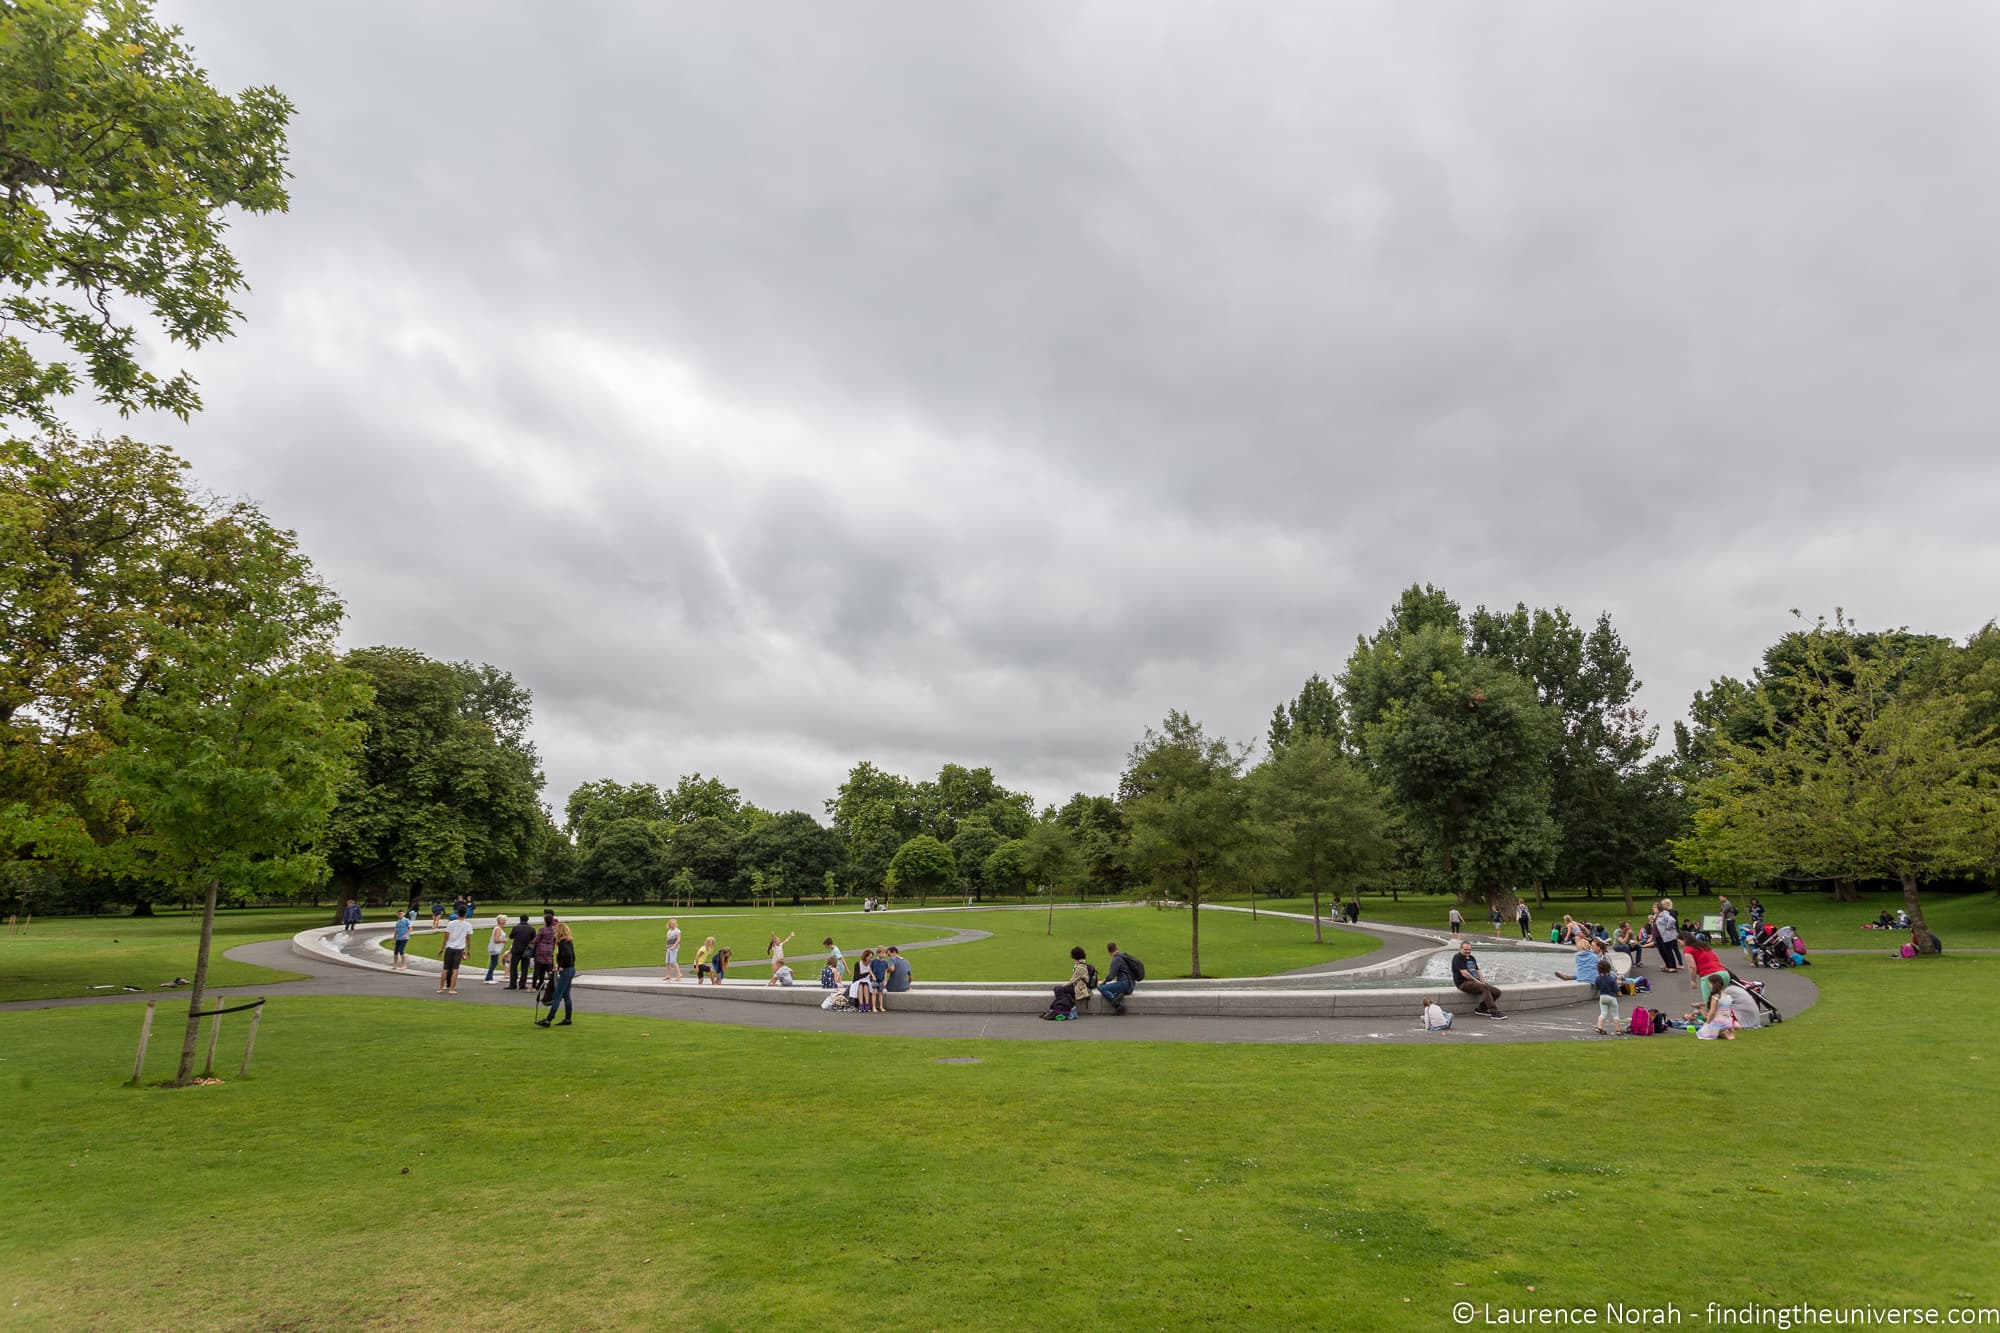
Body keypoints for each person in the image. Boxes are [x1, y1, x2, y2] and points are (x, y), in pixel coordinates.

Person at [1449, 941, 1506, 1018]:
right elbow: (1465, 974)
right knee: (1484, 987)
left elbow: (1478, 971)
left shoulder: (1472, 958)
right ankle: (1494, 1012)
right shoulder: (1458, 957)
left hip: (1475, 982)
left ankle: (1481, 1009)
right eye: (1465, 949)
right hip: (1463, 983)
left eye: (1469, 949)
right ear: (1460, 949)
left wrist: (1483, 982)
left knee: (1497, 992)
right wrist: (1479, 982)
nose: (1468, 951)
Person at [536, 921, 577, 1027]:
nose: (554, 932)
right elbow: (572, 957)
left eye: (555, 930)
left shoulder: (563, 943)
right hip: (571, 969)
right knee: (566, 995)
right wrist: (559, 966)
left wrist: (561, 966)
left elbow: (568, 957)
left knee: (557, 995)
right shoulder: (568, 941)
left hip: (566, 970)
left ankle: (548, 1019)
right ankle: (568, 1019)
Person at [1683, 932, 1733, 1004]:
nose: (1680, 944)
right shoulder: (1704, 946)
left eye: (1679, 942)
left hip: (1709, 975)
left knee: (1709, 1002)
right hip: (1724, 973)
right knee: (1722, 1000)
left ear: (1684, 940)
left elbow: (1692, 967)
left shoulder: (1688, 949)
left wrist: (1693, 980)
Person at [438, 908, 475, 994]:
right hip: (459, 949)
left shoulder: (451, 923)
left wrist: (442, 948)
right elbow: (468, 938)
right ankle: (451, 989)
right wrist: (469, 949)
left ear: (457, 914)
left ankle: (441, 988)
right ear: (465, 914)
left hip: (449, 947)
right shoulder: (468, 925)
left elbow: (446, 936)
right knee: (455, 969)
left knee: (445, 968)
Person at [1099, 942, 1141, 1014]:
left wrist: (1103, 981)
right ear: (1116, 948)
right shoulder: (1124, 957)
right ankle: (1118, 995)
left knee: (1101, 988)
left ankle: (1119, 1005)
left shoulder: (1116, 959)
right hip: (1131, 984)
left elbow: (1111, 976)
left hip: (1125, 985)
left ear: (1109, 952)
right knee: (1112, 987)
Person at [1054, 945, 1092, 1016]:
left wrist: (1062, 986)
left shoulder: (1080, 967)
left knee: (1059, 989)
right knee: (1061, 991)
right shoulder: (1082, 964)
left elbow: (1072, 981)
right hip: (1078, 986)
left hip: (1080, 989)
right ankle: (1065, 1006)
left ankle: (1070, 1007)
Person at [1651, 899, 1683, 973]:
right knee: (1662, 951)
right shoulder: (1655, 915)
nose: (1653, 909)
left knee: (1668, 951)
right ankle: (1668, 966)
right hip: (1658, 936)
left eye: (1655, 907)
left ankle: (1672, 967)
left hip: (1666, 936)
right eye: (1653, 907)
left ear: (1659, 907)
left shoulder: (1664, 914)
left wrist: (1668, 927)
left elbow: (1672, 920)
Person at [507, 914, 537, 989]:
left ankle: (512, 983)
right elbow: (534, 939)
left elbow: (511, 936)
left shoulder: (516, 928)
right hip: (526, 950)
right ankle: (522, 984)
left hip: (516, 949)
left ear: (520, 919)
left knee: (513, 967)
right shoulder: (531, 929)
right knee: (524, 968)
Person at [532, 911, 558, 996]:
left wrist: (531, 943)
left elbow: (537, 940)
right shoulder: (554, 931)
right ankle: (553, 986)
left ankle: (534, 986)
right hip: (549, 950)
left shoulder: (542, 930)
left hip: (540, 950)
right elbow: (554, 941)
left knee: (538, 968)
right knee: (549, 968)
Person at [1592, 961, 1621, 1035]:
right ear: (1609, 969)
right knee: (1615, 1014)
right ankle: (1618, 1030)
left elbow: (1596, 987)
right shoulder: (1611, 979)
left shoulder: (1598, 978)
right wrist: (1619, 993)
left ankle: (1599, 1027)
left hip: (1602, 997)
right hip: (1612, 997)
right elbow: (1616, 988)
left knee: (1603, 1013)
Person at [484, 914, 509, 984]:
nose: (504, 922)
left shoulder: (498, 928)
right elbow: (496, 940)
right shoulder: (498, 928)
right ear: (499, 921)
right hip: (494, 948)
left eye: (505, 920)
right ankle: (488, 978)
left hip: (496, 948)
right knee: (494, 963)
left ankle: (489, 978)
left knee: (493, 963)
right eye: (503, 920)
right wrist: (504, 941)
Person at [868, 947, 891, 1011]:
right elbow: (869, 969)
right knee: (874, 993)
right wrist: (873, 976)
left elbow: (885, 972)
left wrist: (885, 980)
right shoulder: (874, 961)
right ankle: (874, 1007)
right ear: (878, 953)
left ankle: (881, 1006)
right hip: (875, 980)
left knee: (880, 994)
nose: (884, 955)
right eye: (883, 953)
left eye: (885, 953)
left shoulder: (885, 962)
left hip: (881, 980)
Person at [663, 918, 683, 982]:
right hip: (669, 947)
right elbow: (668, 940)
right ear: (669, 924)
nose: (673, 925)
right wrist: (666, 946)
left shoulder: (677, 931)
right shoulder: (669, 931)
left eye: (674, 924)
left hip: (674, 948)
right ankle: (668, 975)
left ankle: (679, 974)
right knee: (667, 962)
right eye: (672, 924)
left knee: (673, 961)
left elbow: (678, 939)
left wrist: (674, 946)